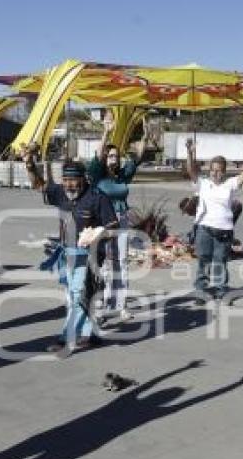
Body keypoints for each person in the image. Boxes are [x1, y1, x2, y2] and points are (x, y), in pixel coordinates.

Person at [22, 147, 117, 352]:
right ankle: (90, 334)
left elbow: (113, 226)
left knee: (77, 295)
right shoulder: (61, 194)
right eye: (65, 180)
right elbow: (38, 184)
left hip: (89, 256)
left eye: (72, 180)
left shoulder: (97, 198)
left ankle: (66, 338)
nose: (68, 184)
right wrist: (29, 164)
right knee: (78, 296)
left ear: (83, 179)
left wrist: (98, 234)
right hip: (67, 255)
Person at [86, 112, 151, 322]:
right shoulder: (98, 174)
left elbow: (138, 157)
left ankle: (121, 306)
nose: (114, 159)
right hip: (102, 222)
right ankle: (101, 307)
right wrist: (106, 131)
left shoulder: (123, 175)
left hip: (121, 220)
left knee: (121, 263)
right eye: (110, 156)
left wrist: (146, 136)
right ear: (105, 158)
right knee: (104, 264)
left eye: (116, 156)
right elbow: (96, 156)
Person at [186, 137, 243, 299]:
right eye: (213, 169)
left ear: (224, 171)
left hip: (224, 231)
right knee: (203, 261)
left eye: (219, 170)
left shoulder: (230, 185)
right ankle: (201, 291)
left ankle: (221, 291)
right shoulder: (203, 184)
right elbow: (191, 170)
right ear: (209, 170)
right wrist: (190, 153)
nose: (215, 173)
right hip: (204, 229)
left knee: (220, 262)